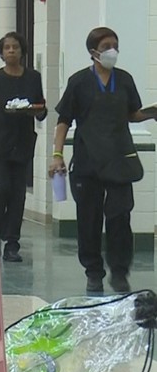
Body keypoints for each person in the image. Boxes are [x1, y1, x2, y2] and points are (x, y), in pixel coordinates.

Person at [50, 26, 156, 295]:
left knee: (120, 218)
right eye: (107, 45)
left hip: (119, 160)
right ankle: (93, 273)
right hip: (87, 162)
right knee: (89, 219)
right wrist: (57, 155)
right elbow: (63, 120)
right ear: (93, 51)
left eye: (115, 45)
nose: (113, 50)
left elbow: (132, 115)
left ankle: (120, 273)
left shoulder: (125, 80)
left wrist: (152, 112)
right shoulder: (78, 82)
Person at [0, 32, 46, 263]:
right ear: (1, 53)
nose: (11, 51)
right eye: (7, 48)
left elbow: (41, 110)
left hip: (23, 144)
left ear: (22, 51)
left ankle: (12, 243)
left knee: (18, 196)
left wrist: (35, 110)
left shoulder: (33, 77)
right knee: (1, 190)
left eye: (15, 47)